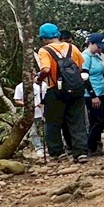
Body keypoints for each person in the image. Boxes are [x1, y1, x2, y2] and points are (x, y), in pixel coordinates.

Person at [35, 23, 89, 163]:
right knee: (77, 121)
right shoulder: (73, 48)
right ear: (58, 35)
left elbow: (46, 69)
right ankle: (80, 152)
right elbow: (79, 67)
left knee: (53, 122)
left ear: (43, 38)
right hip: (75, 88)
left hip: (55, 89)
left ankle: (57, 152)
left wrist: (39, 78)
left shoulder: (44, 50)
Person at [82, 32, 104, 156]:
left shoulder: (97, 56)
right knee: (101, 120)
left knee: (95, 121)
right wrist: (93, 95)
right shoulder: (86, 57)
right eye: (98, 46)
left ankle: (94, 147)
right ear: (91, 43)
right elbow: (84, 77)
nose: (100, 49)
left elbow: (102, 75)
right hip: (91, 94)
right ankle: (88, 145)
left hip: (101, 91)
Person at [13, 72, 46, 153]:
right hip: (30, 113)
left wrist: (41, 103)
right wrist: (28, 105)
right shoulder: (20, 87)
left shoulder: (41, 85)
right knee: (33, 131)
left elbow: (46, 97)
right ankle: (39, 148)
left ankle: (50, 146)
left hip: (42, 111)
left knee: (46, 129)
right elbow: (17, 100)